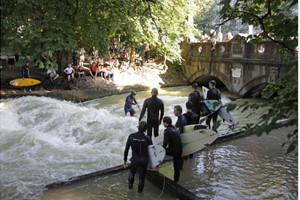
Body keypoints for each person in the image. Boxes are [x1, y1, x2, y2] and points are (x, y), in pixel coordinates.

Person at [123, 121, 153, 192]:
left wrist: (125, 161)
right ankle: (140, 193)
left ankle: (130, 190)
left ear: (138, 127)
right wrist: (153, 165)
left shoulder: (131, 136)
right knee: (141, 178)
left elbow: (126, 149)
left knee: (132, 173)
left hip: (134, 160)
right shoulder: (148, 138)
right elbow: (152, 152)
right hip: (144, 160)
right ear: (145, 129)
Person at [162, 116, 183, 183]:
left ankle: (156, 167)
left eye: (163, 122)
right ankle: (176, 181)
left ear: (165, 123)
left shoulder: (166, 131)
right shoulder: (177, 128)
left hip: (173, 151)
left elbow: (165, 143)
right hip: (180, 150)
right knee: (176, 167)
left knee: (160, 151)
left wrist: (161, 148)